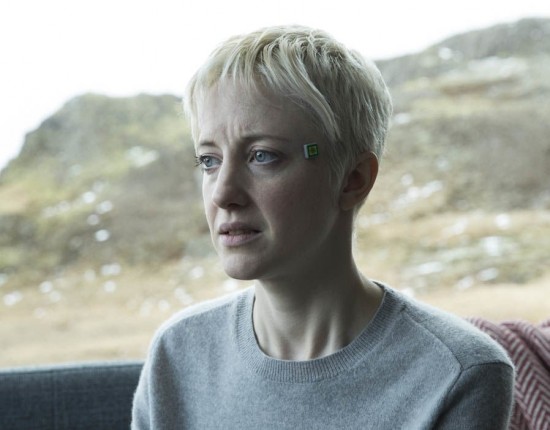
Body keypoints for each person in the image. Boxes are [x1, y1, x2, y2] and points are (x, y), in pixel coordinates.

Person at [131, 25, 514, 429]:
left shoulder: (457, 374)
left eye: (262, 156)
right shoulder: (178, 353)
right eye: (209, 161)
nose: (223, 194)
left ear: (353, 179)